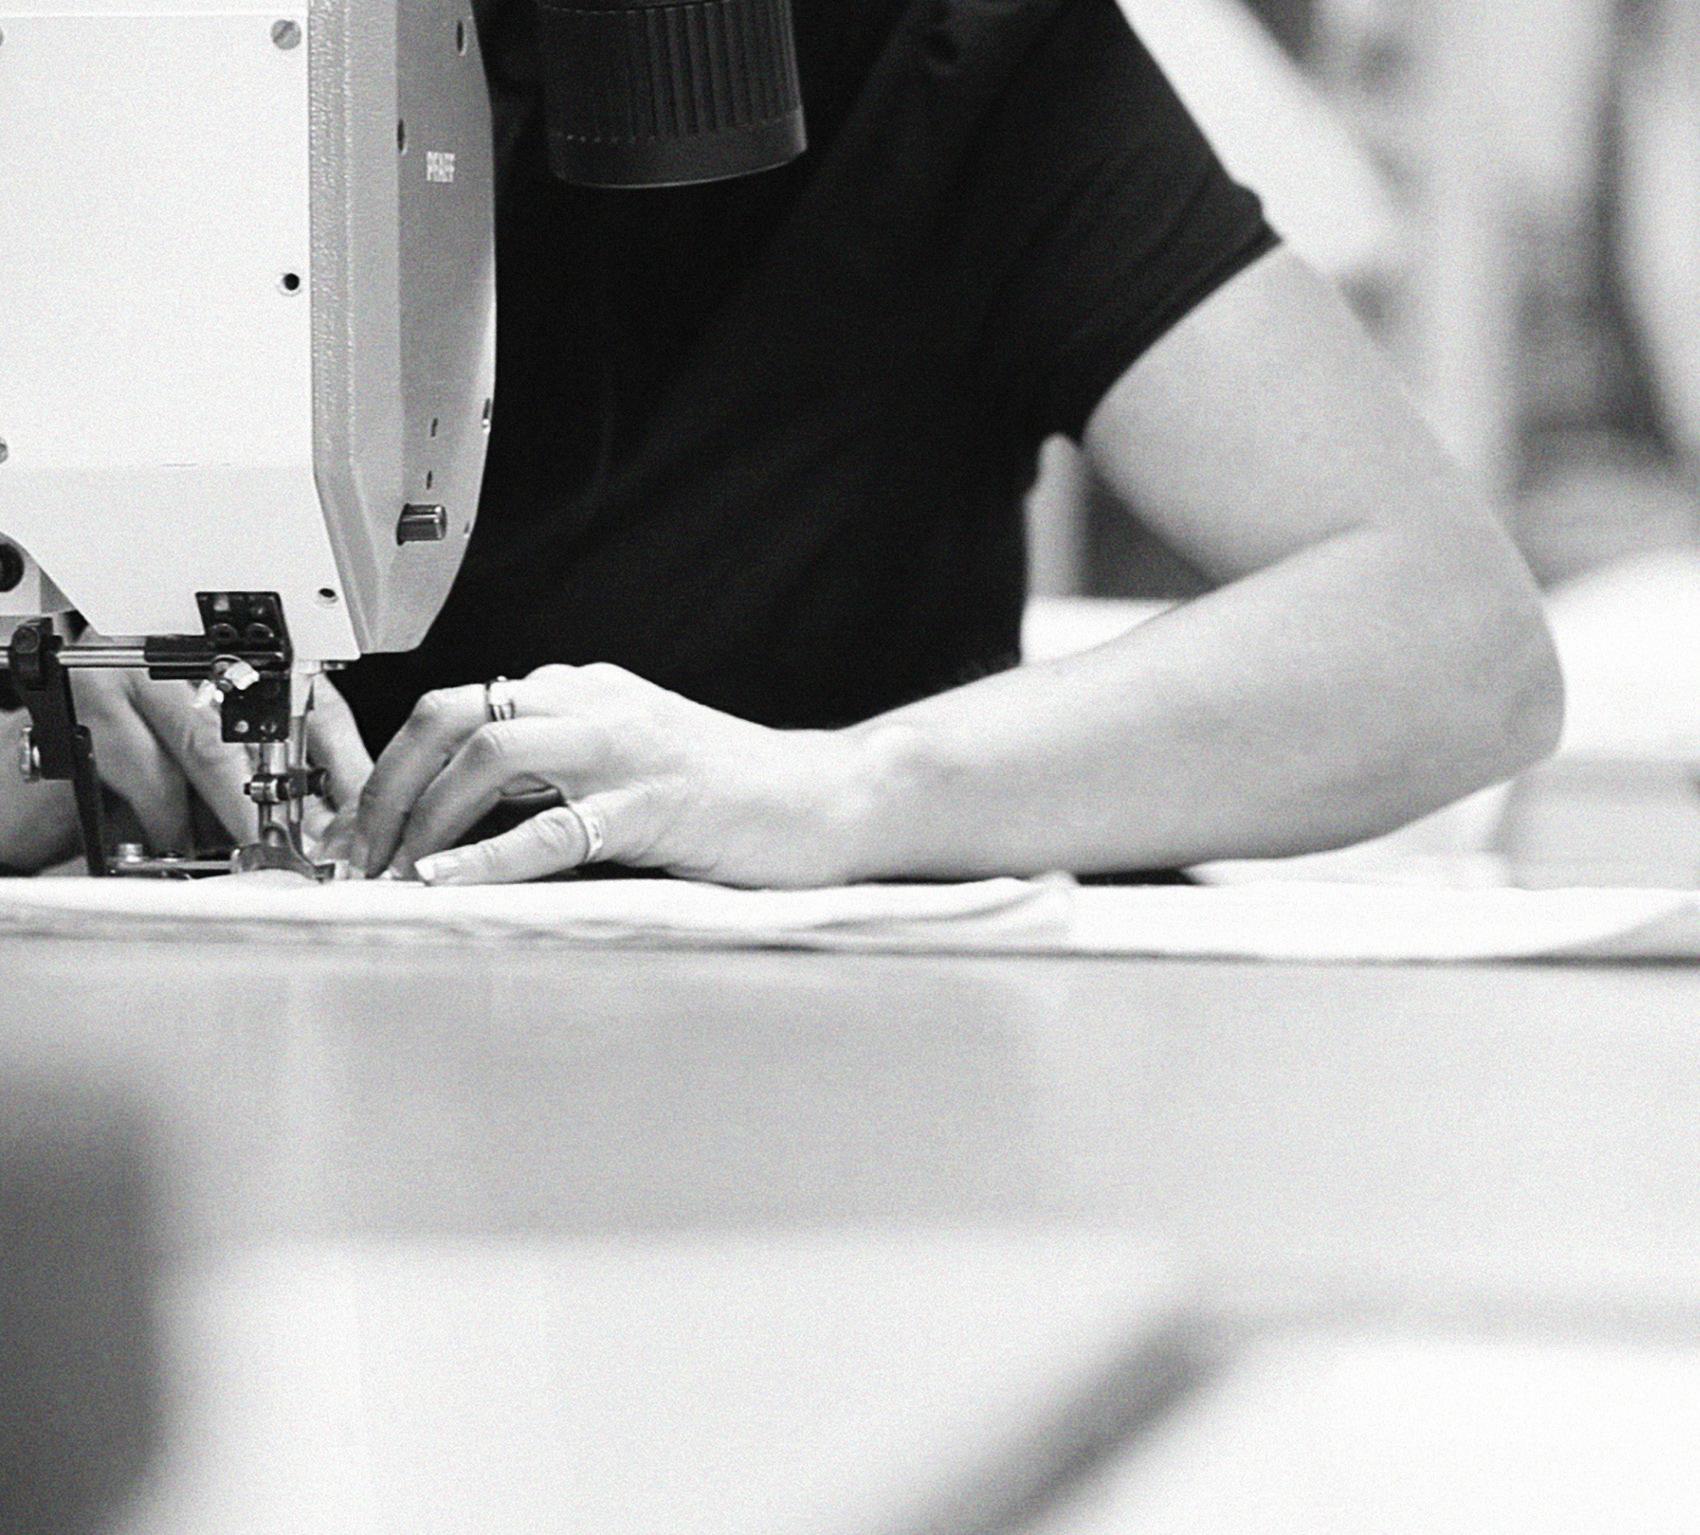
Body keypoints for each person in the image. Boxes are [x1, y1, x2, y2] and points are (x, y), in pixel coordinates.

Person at [0, 0, 1562, 886]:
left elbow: (1456, 647)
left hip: (850, 1103)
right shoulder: (138, 74)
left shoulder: (961, 64)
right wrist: (39, 721)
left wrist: (838, 790)